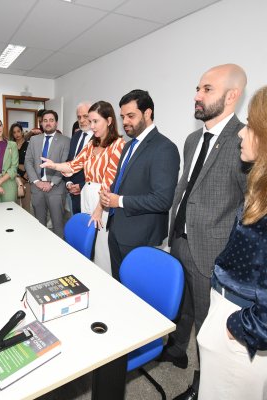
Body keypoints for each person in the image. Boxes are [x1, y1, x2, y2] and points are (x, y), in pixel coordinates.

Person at [159, 64, 248, 400]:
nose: (197, 95)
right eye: (198, 88)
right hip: (179, 240)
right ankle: (177, 349)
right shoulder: (193, 138)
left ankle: (202, 385)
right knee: (182, 307)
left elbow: (251, 206)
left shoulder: (243, 139)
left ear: (232, 95)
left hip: (212, 252)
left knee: (208, 327)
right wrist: (171, 234)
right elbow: (185, 189)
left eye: (207, 89)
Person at [198, 86, 267, 400]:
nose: (243, 134)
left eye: (251, 126)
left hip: (242, 324)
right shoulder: (261, 188)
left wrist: (239, 327)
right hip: (227, 301)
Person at [100, 90, 180, 280]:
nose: (125, 121)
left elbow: (162, 200)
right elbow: (125, 181)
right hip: (117, 231)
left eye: (131, 116)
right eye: (122, 117)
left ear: (147, 113)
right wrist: (109, 194)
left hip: (140, 237)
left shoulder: (164, 148)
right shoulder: (128, 146)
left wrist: (118, 201)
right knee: (118, 288)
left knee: (136, 296)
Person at [40, 101, 125, 274]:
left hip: (104, 198)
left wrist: (99, 209)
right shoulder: (91, 144)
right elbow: (73, 166)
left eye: (95, 121)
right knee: (86, 239)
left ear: (109, 121)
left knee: (101, 244)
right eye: (90, 121)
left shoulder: (118, 145)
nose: (91, 126)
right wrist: (54, 165)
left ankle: (104, 277)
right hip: (87, 193)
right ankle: (86, 274)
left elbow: (109, 182)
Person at [25, 110, 70, 238]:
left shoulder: (66, 141)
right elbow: (28, 161)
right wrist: (36, 181)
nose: (48, 123)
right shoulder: (34, 140)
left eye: (51, 120)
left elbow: (65, 163)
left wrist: (52, 182)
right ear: (41, 123)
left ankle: (59, 252)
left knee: (58, 225)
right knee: (39, 224)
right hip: (37, 188)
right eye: (45, 120)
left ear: (56, 122)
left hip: (56, 188)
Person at [64, 101, 93, 215]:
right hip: (73, 192)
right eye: (79, 117)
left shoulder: (99, 138)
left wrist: (81, 186)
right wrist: (68, 182)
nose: (81, 120)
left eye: (85, 116)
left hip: (90, 192)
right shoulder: (76, 136)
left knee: (91, 228)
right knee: (77, 224)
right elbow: (70, 161)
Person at [10, 122, 31, 212]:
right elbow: (9, 164)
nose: (17, 134)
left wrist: (26, 174)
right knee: (16, 206)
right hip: (14, 179)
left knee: (26, 206)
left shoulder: (29, 145)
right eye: (14, 132)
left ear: (22, 132)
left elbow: (32, 162)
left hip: (27, 178)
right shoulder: (10, 146)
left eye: (18, 131)